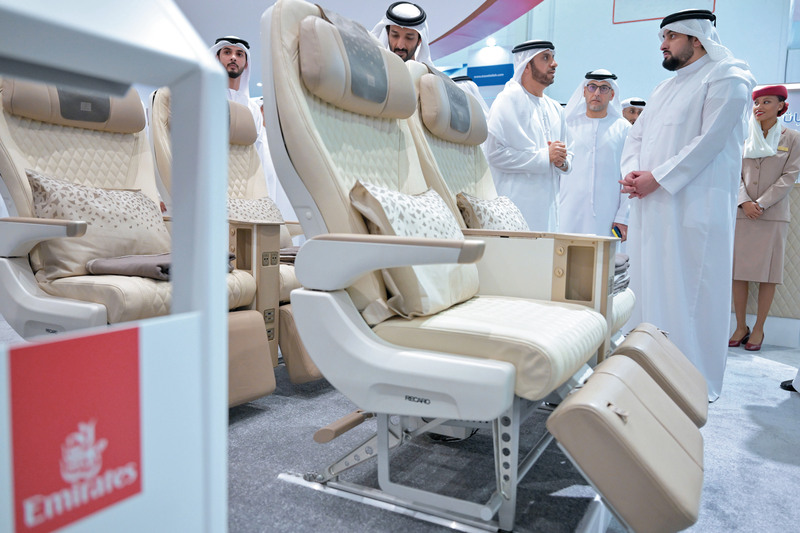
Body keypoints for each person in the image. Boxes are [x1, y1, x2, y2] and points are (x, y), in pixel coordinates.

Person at [619, 9, 756, 401]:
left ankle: (689, 381)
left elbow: (709, 143)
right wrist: (633, 173)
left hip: (695, 210)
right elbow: (636, 138)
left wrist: (657, 178)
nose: (663, 45)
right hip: (651, 206)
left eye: (671, 37)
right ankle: (647, 370)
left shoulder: (728, 77)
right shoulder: (665, 88)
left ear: (697, 38)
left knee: (690, 292)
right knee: (648, 286)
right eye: (662, 38)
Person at [730, 85, 799, 351]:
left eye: (767, 102)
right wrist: (744, 201)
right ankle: (740, 326)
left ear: (781, 106)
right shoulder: (742, 136)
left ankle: (758, 328)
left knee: (768, 276)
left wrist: (760, 204)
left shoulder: (792, 138)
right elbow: (733, 172)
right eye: (757, 102)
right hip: (742, 214)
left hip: (772, 215)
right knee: (738, 273)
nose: (759, 107)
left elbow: (789, 177)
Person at [484, 40, 572, 231]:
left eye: (553, 57)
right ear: (526, 66)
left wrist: (562, 162)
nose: (554, 64)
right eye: (546, 58)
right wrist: (545, 156)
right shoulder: (508, 100)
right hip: (515, 209)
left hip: (548, 210)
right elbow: (494, 155)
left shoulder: (555, 108)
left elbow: (568, 153)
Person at [210, 36, 296, 220]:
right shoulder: (204, 100)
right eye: (227, 52)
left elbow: (259, 158)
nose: (233, 57)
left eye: (239, 54)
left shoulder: (253, 110)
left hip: (245, 196)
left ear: (246, 63)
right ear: (217, 58)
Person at [559, 69, 630, 239]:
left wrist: (623, 217)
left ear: (612, 94)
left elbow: (628, 175)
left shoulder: (624, 129)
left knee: (604, 255)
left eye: (604, 88)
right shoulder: (567, 125)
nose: (597, 93)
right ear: (584, 91)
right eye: (592, 87)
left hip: (608, 215)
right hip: (566, 212)